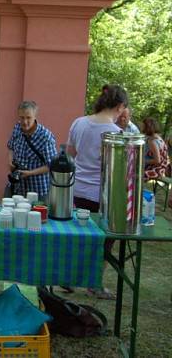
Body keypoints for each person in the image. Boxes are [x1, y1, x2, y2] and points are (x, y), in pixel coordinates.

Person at [67, 83, 128, 301]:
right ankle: (94, 284)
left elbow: (70, 154)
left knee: (76, 236)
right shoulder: (116, 134)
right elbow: (117, 172)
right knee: (104, 242)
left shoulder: (79, 122)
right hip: (100, 194)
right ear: (120, 106)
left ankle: (68, 279)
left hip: (76, 190)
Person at [5, 100, 58, 200]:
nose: (24, 122)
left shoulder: (45, 137)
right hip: (18, 188)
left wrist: (30, 173)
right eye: (22, 118)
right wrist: (10, 161)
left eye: (28, 118)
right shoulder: (17, 128)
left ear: (35, 116)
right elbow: (10, 146)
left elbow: (52, 165)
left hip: (38, 190)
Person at [141, 117, 169, 181]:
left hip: (156, 169)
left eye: (143, 126)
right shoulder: (158, 137)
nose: (141, 128)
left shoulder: (152, 141)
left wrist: (143, 161)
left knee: (132, 174)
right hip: (160, 168)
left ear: (148, 127)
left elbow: (157, 161)